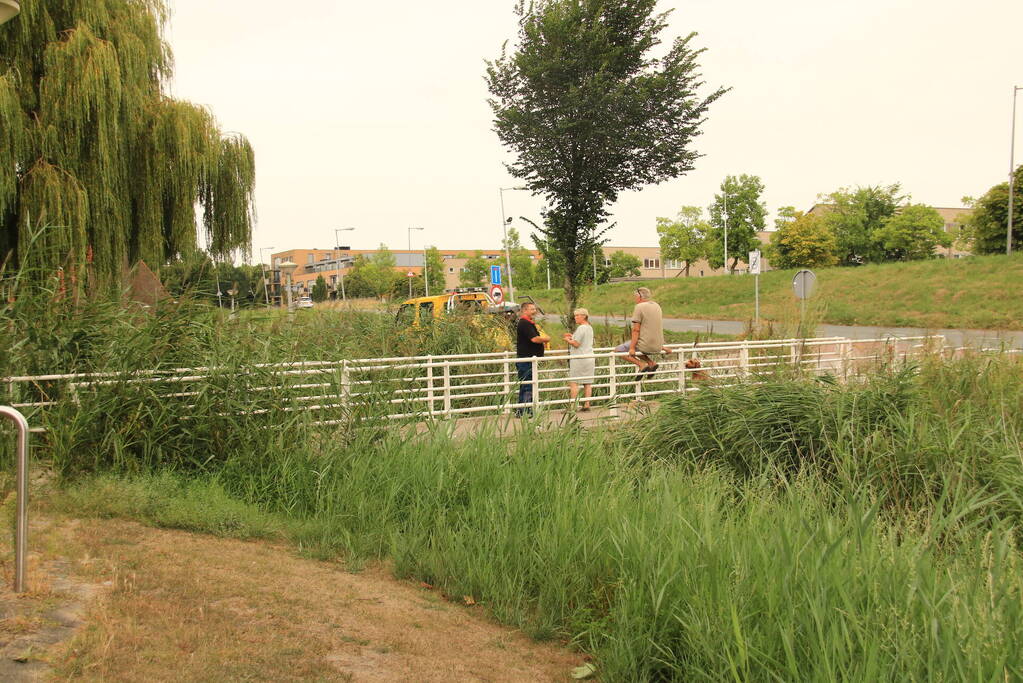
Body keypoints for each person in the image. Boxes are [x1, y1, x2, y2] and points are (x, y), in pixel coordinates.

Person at [515, 302, 550, 415]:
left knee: (527, 384)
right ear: (525, 310)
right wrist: (545, 339)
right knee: (527, 385)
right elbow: (534, 339)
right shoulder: (525, 323)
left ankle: (522, 410)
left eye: (534, 309)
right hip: (527, 359)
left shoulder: (527, 323)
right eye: (531, 309)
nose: (534, 311)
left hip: (528, 358)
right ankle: (526, 410)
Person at [626, 286, 664, 376]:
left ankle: (641, 364)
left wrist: (631, 348)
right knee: (636, 346)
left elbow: (636, 330)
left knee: (618, 350)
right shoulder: (657, 306)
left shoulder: (639, 307)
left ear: (639, 296)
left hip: (645, 346)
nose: (635, 299)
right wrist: (663, 346)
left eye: (635, 297)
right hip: (658, 346)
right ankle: (651, 363)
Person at [563, 308, 594, 411]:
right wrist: (573, 337)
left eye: (577, 316)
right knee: (587, 382)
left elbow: (576, 344)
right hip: (589, 356)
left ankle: (573, 406)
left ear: (584, 316)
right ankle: (587, 404)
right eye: (575, 316)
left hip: (579, 358)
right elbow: (583, 340)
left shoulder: (581, 328)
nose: (575, 318)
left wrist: (568, 340)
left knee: (574, 382)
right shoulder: (589, 327)